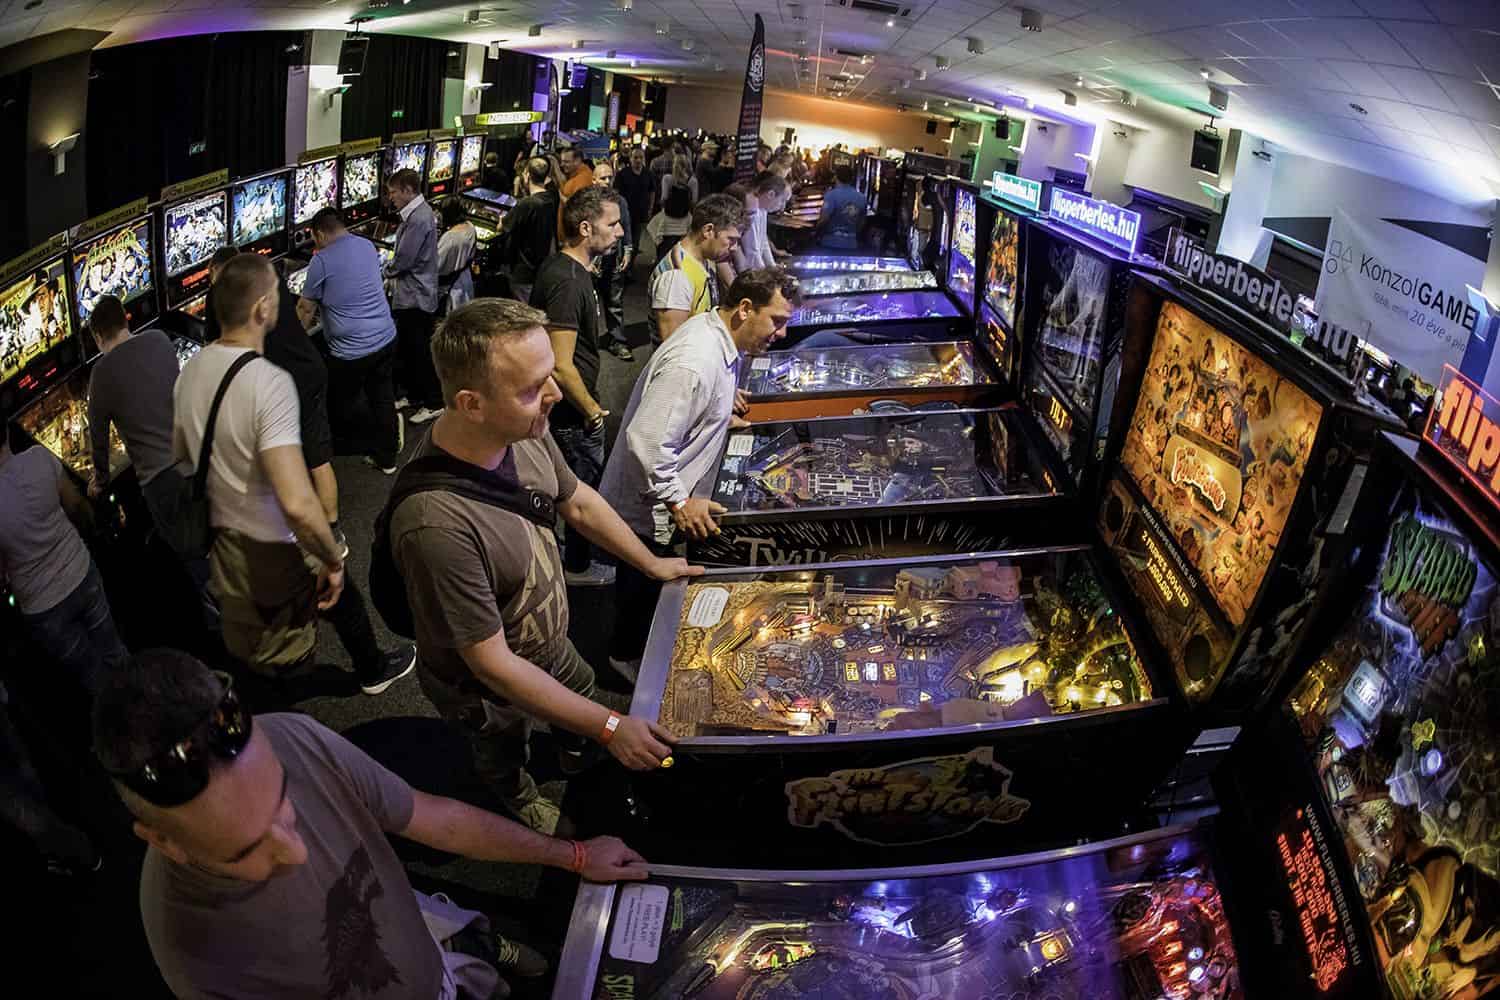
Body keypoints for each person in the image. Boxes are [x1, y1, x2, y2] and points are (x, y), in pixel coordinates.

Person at [95, 649, 653, 998]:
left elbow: (428, 815)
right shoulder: (192, 955)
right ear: (162, 841)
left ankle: (483, 948)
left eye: (286, 803)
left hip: (424, 949)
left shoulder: (294, 738)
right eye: (246, 851)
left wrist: (574, 856)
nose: (296, 853)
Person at [390, 298, 696, 834]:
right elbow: (493, 667)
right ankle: (519, 795)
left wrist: (651, 563)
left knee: (576, 688)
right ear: (472, 403)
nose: (555, 394)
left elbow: (576, 500)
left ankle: (576, 747)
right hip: (481, 686)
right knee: (501, 744)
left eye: (550, 375)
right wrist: (609, 726)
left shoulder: (525, 429)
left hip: (550, 641)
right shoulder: (433, 525)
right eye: (533, 387)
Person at [178, 255, 413, 694]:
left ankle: (259, 697)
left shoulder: (194, 371)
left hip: (225, 527)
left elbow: (187, 457)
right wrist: (330, 554)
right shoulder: (266, 382)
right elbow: (298, 501)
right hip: (271, 522)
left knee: (255, 637)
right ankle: (370, 670)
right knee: (336, 596)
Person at [601, 268, 798, 679]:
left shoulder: (715, 336)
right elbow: (648, 440)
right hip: (648, 504)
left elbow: (686, 407)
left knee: (649, 589)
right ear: (745, 309)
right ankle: (627, 665)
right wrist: (678, 500)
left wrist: (719, 408)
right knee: (640, 590)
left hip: (662, 495)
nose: (780, 333)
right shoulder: (695, 361)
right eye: (776, 321)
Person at [530, 186, 624, 587]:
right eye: (613, 223)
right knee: (580, 491)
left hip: (573, 408)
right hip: (572, 412)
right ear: (586, 228)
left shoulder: (573, 272)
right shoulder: (568, 282)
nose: (620, 232)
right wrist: (592, 412)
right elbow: (562, 366)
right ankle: (576, 569)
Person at [0, 438, 128, 698]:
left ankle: (121, 725)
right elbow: (78, 507)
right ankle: (149, 708)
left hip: (41, 605)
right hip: (80, 571)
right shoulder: (38, 458)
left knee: (92, 675)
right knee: (115, 650)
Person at [291, 210, 401, 475]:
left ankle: (341, 450)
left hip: (352, 351)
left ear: (318, 233)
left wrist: (293, 342)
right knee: (382, 396)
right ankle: (388, 458)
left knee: (337, 402)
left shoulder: (322, 261)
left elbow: (306, 309)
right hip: (386, 336)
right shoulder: (366, 244)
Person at [85, 294, 194, 544]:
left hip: (159, 478)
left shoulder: (100, 374)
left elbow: (98, 440)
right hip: (193, 454)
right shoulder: (159, 338)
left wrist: (99, 482)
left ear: (98, 337)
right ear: (126, 320)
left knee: (189, 550)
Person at [384, 168, 443, 425]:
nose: (391, 198)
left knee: (420, 352)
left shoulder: (418, 218)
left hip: (415, 296)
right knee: (410, 350)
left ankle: (434, 402)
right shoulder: (418, 213)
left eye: (394, 192)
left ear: (408, 190)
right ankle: (415, 395)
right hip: (415, 293)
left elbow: (403, 260)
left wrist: (383, 271)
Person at [648, 194, 746, 344]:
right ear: (708, 231)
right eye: (731, 239)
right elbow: (674, 346)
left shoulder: (703, 259)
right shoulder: (675, 278)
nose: (734, 248)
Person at [590, 159, 635, 362]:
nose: (607, 181)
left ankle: (617, 340)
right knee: (588, 304)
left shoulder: (620, 201)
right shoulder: (587, 202)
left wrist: (627, 251)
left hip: (613, 259)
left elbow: (626, 227)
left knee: (614, 302)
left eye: (610, 177)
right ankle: (586, 342)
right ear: (594, 180)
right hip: (590, 259)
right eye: (603, 177)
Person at [498, 156, 557, 306]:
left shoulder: (527, 204)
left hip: (523, 270)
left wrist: (500, 218)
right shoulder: (550, 198)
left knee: (525, 312)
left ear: (528, 175)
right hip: (540, 267)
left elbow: (502, 227)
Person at [734, 171, 792, 279]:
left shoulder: (763, 209)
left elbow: (763, 241)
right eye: (782, 200)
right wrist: (768, 278)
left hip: (754, 270)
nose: (782, 207)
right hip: (748, 271)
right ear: (770, 194)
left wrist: (772, 267)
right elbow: (752, 251)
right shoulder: (752, 209)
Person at [436, 198, 477, 315]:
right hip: (465, 279)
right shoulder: (470, 226)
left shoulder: (450, 237)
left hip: (451, 287)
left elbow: (437, 267)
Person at [815, 162, 866, 250]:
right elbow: (862, 222)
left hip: (830, 242)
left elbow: (824, 218)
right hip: (851, 243)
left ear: (836, 177)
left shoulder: (831, 195)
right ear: (851, 178)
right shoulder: (862, 197)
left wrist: (815, 231)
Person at [615, 146, 654, 252]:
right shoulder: (622, 174)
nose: (638, 160)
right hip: (625, 212)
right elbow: (616, 193)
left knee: (636, 240)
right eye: (635, 157)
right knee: (624, 240)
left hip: (641, 212)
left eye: (641, 157)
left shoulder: (648, 174)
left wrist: (650, 209)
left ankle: (631, 264)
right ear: (630, 158)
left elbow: (652, 192)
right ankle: (623, 263)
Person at [556, 146, 594, 241]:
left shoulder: (583, 178)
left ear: (577, 161)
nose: (562, 164)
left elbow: (576, 206)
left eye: (566, 162)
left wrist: (559, 194)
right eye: (562, 161)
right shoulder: (575, 176)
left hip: (574, 238)